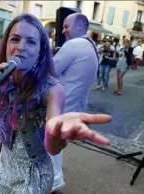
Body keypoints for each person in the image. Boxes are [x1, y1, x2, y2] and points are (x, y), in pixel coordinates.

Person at [0, 13, 110, 194]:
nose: (21, 47)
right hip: (2, 167)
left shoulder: (52, 89)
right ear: (6, 45)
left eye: (31, 42)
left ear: (40, 52)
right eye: (15, 39)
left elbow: (53, 149)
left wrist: (56, 133)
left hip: (32, 178)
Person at [51, 13, 99, 193]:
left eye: (66, 26)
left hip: (62, 105)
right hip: (76, 106)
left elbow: (51, 70)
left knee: (50, 142)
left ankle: (53, 180)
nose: (63, 31)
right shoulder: (91, 46)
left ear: (79, 26)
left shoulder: (73, 45)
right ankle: (54, 178)